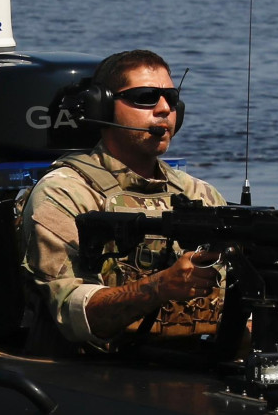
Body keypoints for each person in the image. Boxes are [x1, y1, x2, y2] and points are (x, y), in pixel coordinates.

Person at [19, 50, 226, 349]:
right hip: (87, 372)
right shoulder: (65, 193)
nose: (164, 109)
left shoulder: (199, 195)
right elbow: (72, 311)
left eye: (171, 97)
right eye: (145, 97)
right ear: (102, 107)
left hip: (186, 362)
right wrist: (161, 287)